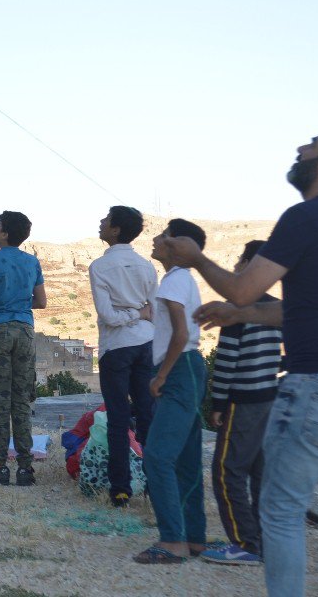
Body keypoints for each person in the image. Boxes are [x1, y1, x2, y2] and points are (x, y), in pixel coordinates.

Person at [164, 122, 318, 596]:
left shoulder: (306, 216)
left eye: (314, 143)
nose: (301, 147)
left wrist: (196, 258)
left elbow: (244, 285)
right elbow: (294, 310)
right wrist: (240, 313)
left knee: (280, 511)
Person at [200, 240, 282, 567]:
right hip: (270, 400)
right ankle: (264, 539)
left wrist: (217, 403)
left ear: (249, 263)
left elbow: (227, 363)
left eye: (238, 259)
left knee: (226, 470)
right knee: (260, 472)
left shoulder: (235, 310)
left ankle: (245, 543)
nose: (234, 265)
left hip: (243, 401)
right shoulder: (275, 308)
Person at [134, 219, 209, 564]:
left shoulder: (174, 281)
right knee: (186, 458)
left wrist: (160, 375)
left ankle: (173, 541)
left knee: (158, 456)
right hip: (190, 368)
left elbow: (180, 333)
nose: (156, 239)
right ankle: (194, 538)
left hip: (178, 369)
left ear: (178, 245)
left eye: (164, 236)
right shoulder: (180, 280)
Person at [0, 211, 47, 486]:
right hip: (24, 331)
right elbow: (41, 302)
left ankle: (0, 466)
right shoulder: (31, 262)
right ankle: (26, 468)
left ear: (3, 233)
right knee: (21, 400)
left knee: (0, 400)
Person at [89, 205, 158, 507]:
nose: (101, 222)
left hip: (116, 347)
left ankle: (120, 488)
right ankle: (156, 484)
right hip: (146, 344)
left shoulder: (99, 267)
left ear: (115, 229)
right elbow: (152, 311)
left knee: (118, 417)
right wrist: (139, 313)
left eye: (105, 219)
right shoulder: (146, 265)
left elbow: (107, 315)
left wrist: (128, 314)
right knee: (147, 415)